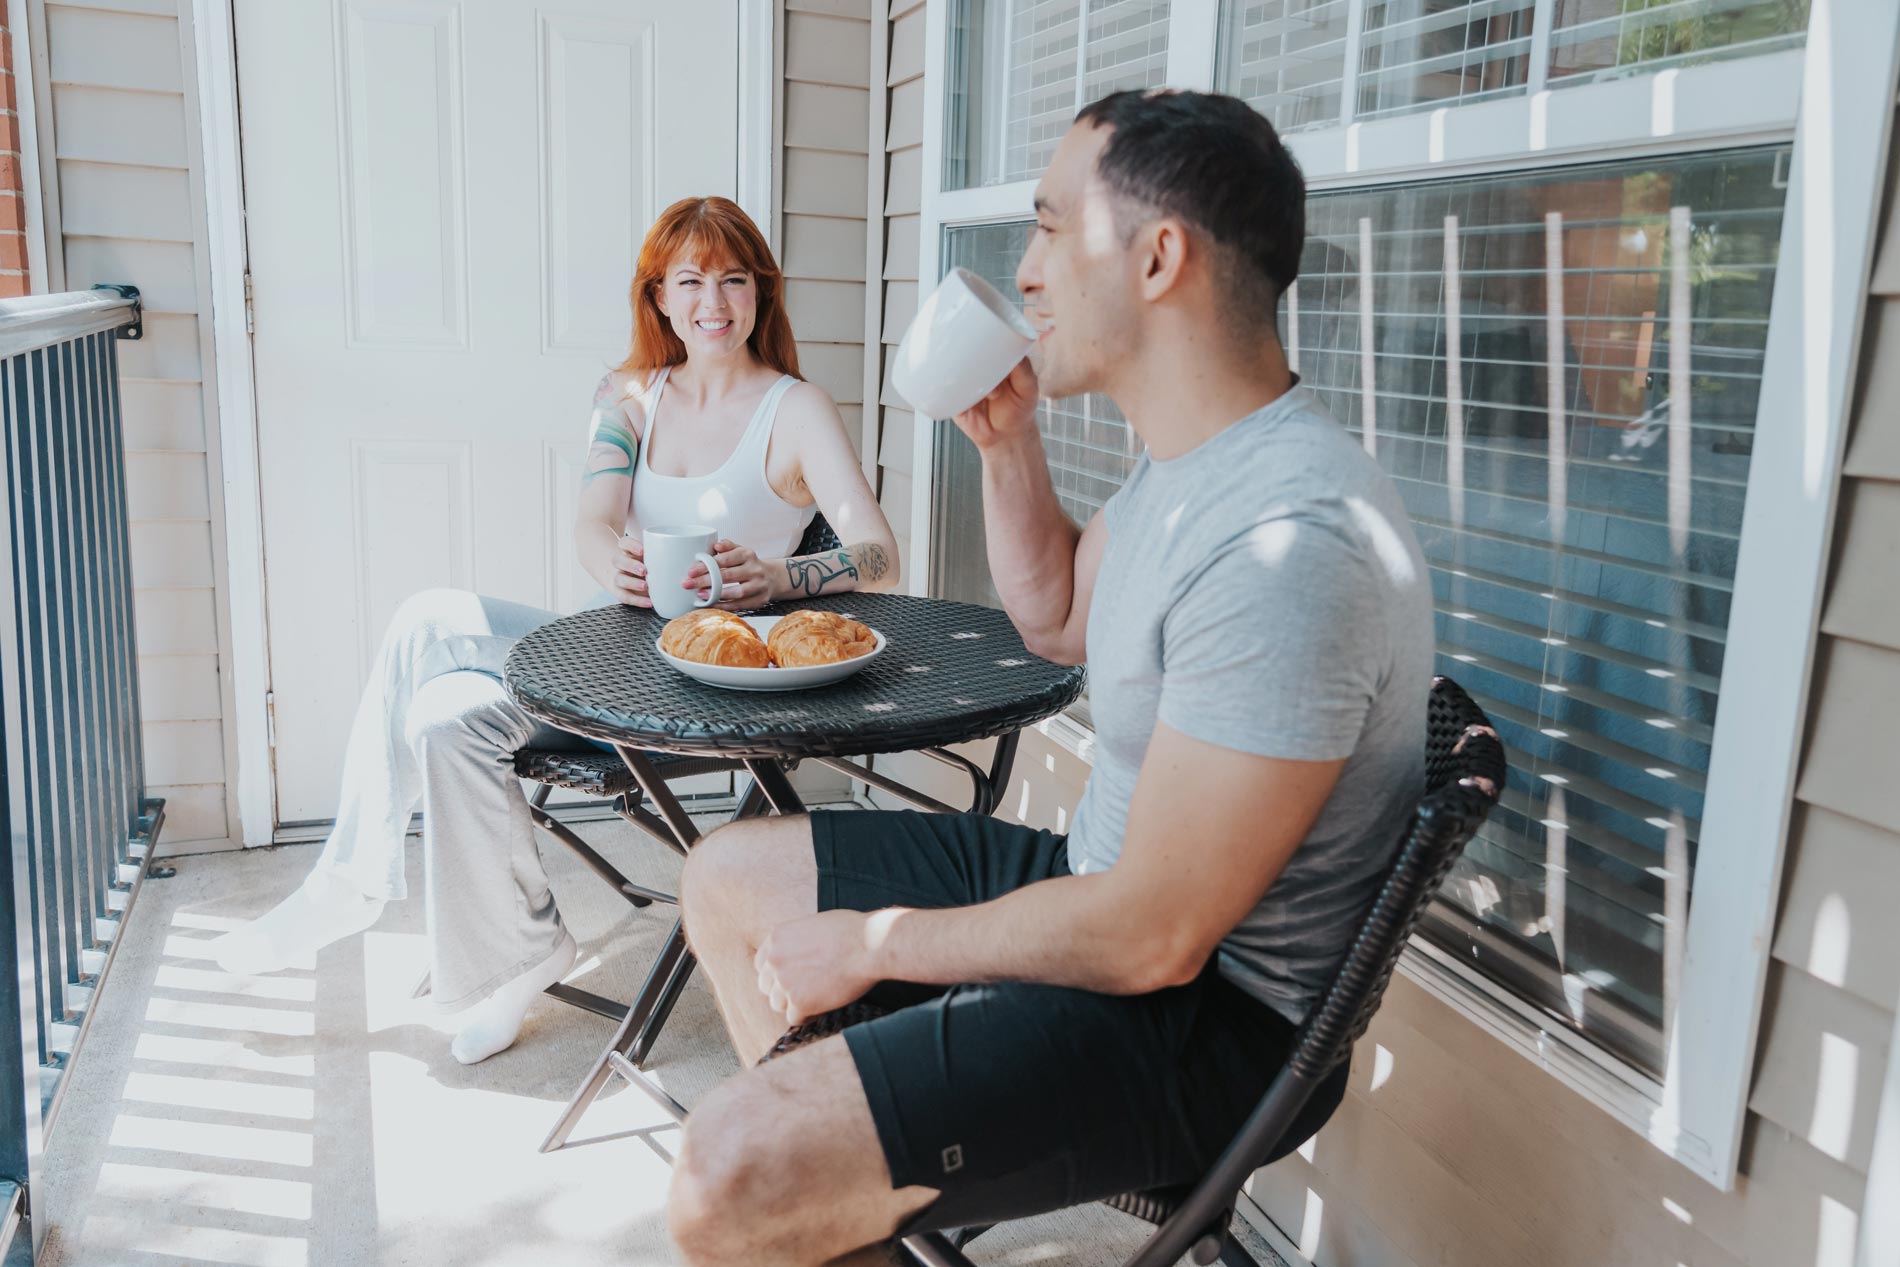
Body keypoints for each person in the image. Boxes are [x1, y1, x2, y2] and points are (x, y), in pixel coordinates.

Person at [664, 90, 1433, 1266]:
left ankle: (812, 1169)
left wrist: (874, 944)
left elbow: (1151, 938)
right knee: (728, 877)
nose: (1021, 272)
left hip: (1207, 1015)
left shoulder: (1290, 541)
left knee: (726, 1175)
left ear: (1160, 256)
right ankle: (842, 1186)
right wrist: (1007, 444)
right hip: (1108, 892)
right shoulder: (1194, 463)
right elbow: (1057, 618)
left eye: (1047, 226)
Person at [210, 197, 899, 1066]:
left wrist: (779, 578)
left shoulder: (795, 410)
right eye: (690, 280)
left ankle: (351, 882)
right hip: (620, 659)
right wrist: (612, 559)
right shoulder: (632, 397)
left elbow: (879, 555)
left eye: (734, 279)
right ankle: (519, 952)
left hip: (719, 694)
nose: (713, 301)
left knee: (431, 637)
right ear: (658, 296)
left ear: (762, 291)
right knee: (443, 710)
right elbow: (591, 521)